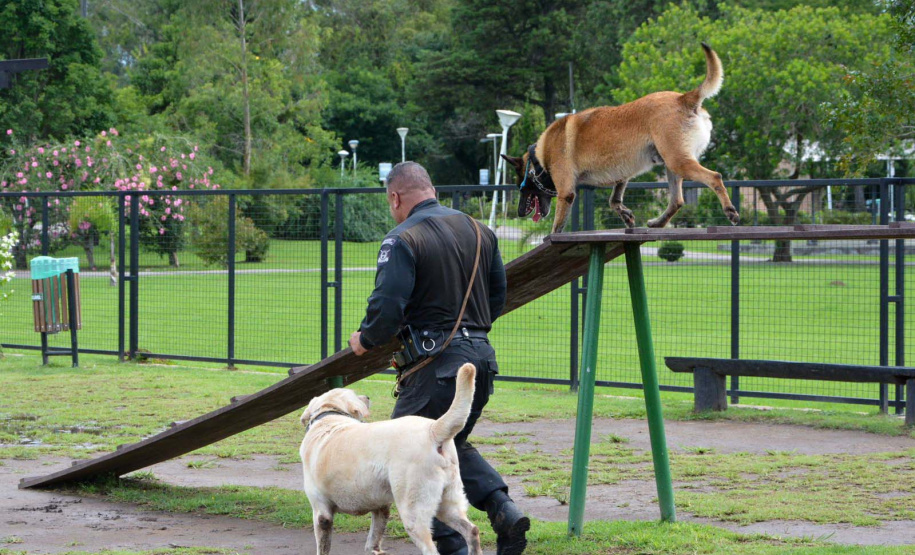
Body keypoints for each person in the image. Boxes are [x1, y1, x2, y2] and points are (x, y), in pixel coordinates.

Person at [349, 162, 529, 555]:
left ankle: (454, 550)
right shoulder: (481, 231)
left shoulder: (402, 239)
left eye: (390, 203)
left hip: (435, 365)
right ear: (430, 189)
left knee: (411, 459)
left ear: (395, 197)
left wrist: (366, 338)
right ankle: (503, 509)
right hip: (480, 359)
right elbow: (498, 296)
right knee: (449, 442)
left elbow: (388, 305)